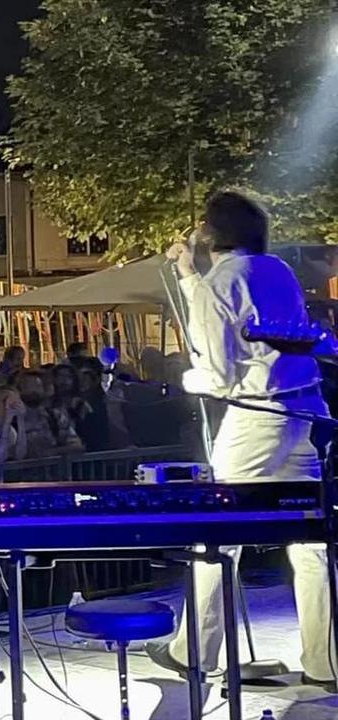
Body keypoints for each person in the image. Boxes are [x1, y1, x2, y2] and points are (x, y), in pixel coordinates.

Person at [147, 191, 336, 689]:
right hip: (308, 412)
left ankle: (194, 652)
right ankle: (327, 662)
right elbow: (229, 308)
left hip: (257, 419)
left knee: (216, 534)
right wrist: (191, 277)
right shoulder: (276, 269)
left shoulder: (217, 282)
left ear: (210, 233)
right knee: (313, 541)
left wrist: (183, 380)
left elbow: (218, 374)